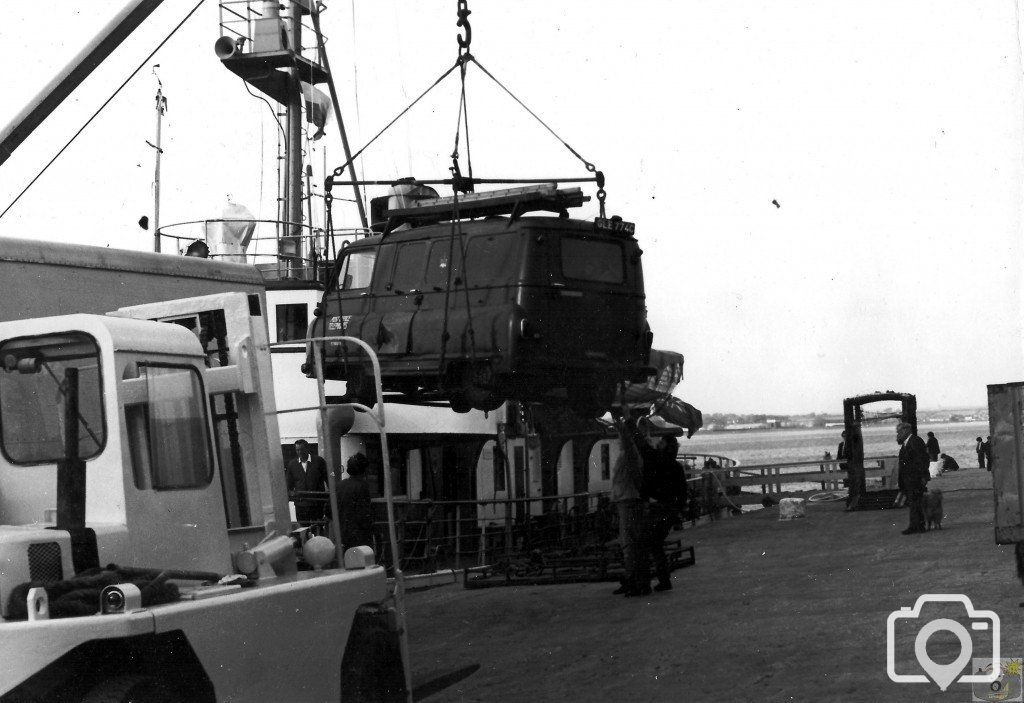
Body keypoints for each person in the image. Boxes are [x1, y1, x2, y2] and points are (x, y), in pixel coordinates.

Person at [641, 434, 688, 592]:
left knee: (649, 543)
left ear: (665, 446)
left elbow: (643, 446)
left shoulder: (658, 460)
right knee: (655, 544)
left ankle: (653, 580)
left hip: (659, 507)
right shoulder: (675, 465)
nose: (657, 444)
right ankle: (663, 579)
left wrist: (628, 420)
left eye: (661, 442)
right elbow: (683, 493)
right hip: (670, 509)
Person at [611, 417, 649, 597]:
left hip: (629, 501)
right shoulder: (629, 453)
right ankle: (631, 579)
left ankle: (634, 581)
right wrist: (619, 426)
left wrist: (622, 426)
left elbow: (627, 443)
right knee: (628, 543)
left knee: (630, 544)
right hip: (625, 500)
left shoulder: (631, 453)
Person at [896, 422, 930, 535]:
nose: (898, 435)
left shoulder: (915, 441)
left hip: (915, 478)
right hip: (909, 479)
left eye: (899, 432)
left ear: (906, 430)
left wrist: (923, 477)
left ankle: (917, 526)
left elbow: (923, 460)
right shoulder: (906, 443)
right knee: (913, 503)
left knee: (915, 502)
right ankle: (917, 525)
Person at [285, 439, 328, 526]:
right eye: (297, 450)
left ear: (307, 449)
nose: (299, 452)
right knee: (303, 529)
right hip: (301, 505)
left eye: (301, 449)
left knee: (318, 527)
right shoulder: (292, 464)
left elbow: (329, 476)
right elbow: (288, 483)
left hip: (317, 503)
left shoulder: (319, 461)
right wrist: (289, 494)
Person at [336, 453, 374, 549]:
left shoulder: (340, 485)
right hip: (360, 536)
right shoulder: (363, 486)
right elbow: (364, 514)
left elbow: (328, 510)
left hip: (342, 534)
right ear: (363, 470)